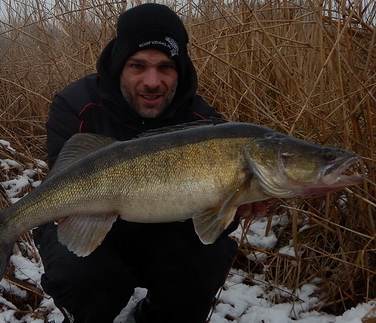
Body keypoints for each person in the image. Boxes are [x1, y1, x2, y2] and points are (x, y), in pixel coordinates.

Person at [33, 3, 269, 323]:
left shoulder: (206, 124)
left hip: (165, 232)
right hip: (93, 226)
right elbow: (61, 183)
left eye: (166, 67)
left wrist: (232, 207)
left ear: (180, 70)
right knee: (78, 272)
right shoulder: (76, 103)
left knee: (211, 256)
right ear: (119, 65)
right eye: (137, 66)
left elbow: (211, 224)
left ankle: (157, 316)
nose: (152, 81)